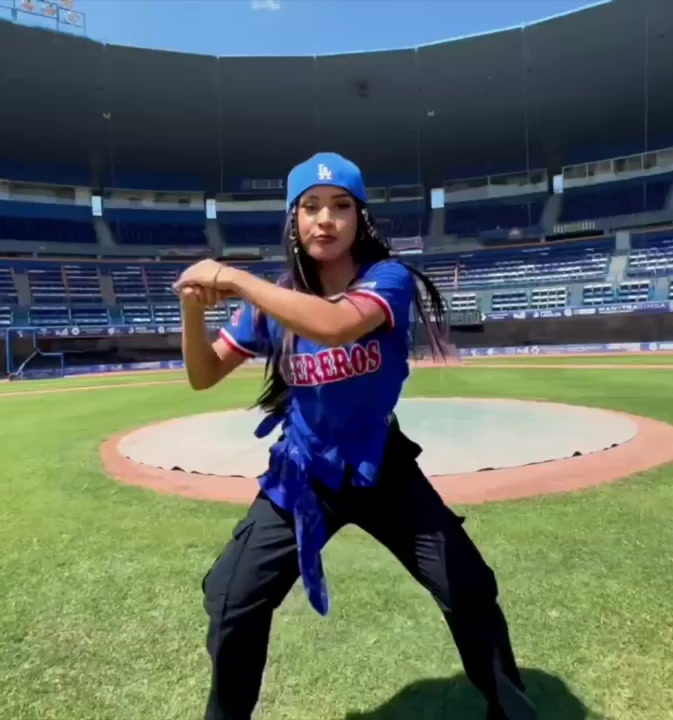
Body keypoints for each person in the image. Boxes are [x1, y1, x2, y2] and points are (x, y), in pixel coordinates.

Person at [173, 152, 536, 720]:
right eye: (311, 207)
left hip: (380, 468)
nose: (326, 219)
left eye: (341, 206)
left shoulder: (386, 281)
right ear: (294, 220)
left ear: (359, 218)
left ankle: (511, 713)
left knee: (468, 586)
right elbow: (203, 375)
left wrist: (233, 278)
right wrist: (192, 310)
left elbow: (334, 325)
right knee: (230, 599)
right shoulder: (276, 301)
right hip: (303, 476)